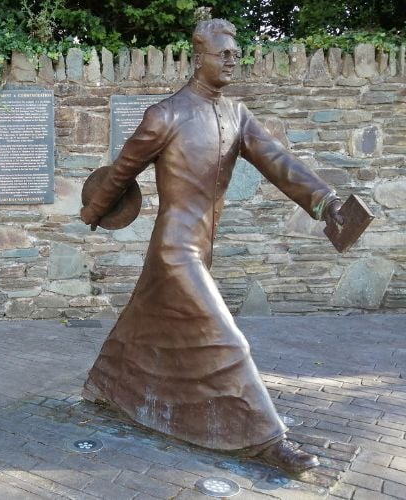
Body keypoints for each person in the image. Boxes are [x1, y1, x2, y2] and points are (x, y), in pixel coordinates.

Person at [79, 18, 344, 474]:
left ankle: (107, 384)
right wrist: (92, 211)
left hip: (202, 248)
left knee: (144, 326)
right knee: (227, 342)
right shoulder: (165, 115)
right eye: (222, 53)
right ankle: (267, 438)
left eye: (235, 54)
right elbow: (121, 171)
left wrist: (325, 202)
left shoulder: (238, 116)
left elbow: (278, 162)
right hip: (174, 250)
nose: (231, 60)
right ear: (196, 56)